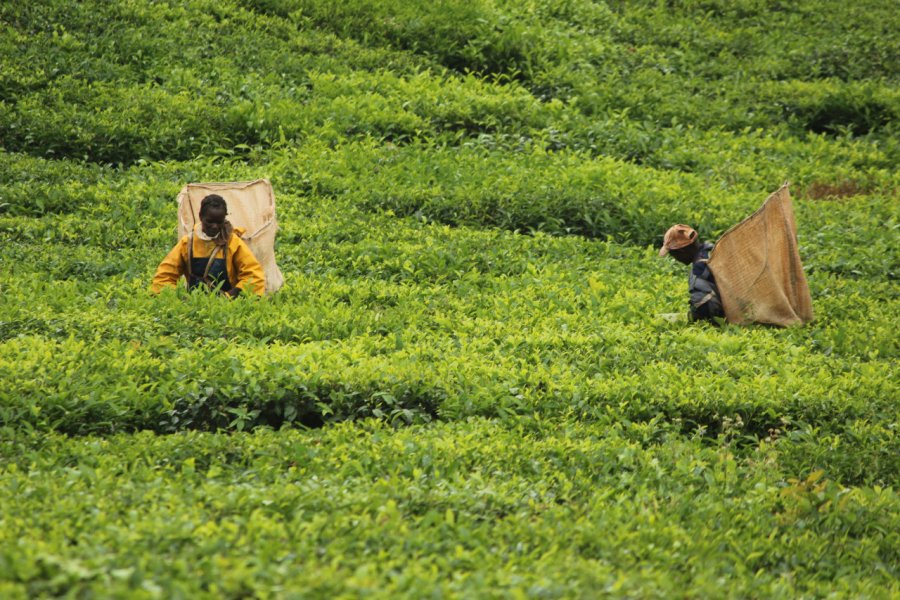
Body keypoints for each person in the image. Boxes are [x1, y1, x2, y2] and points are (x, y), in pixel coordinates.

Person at [151, 194, 265, 297]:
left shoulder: (233, 243)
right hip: (194, 303)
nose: (214, 227)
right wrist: (178, 298)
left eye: (219, 222)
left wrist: (229, 296)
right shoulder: (188, 243)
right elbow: (164, 275)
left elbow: (253, 276)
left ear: (224, 218)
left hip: (228, 303)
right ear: (200, 217)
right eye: (209, 222)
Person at [659, 224, 724, 322]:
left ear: (681, 251)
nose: (676, 259)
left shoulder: (699, 270)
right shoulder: (711, 250)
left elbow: (705, 307)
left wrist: (691, 317)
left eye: (673, 255)